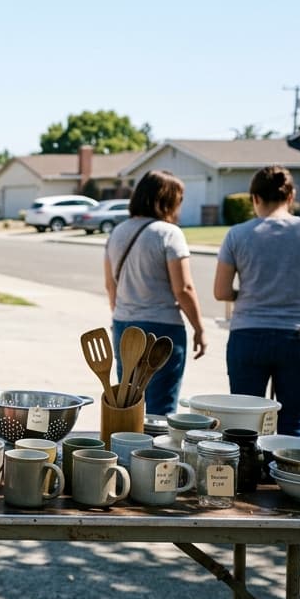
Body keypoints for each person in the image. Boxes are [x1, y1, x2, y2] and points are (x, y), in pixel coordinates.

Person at [213, 165, 300, 436]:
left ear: (254, 198)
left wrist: (250, 294)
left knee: (244, 425)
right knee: (293, 424)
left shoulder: (237, 234)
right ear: (291, 196)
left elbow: (221, 291)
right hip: (299, 337)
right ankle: (288, 477)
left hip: (248, 334)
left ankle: (246, 478)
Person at [103, 170, 207, 415]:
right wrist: (199, 329)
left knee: (128, 404)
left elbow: (110, 285)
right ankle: (155, 453)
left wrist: (122, 315)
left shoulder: (117, 232)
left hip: (124, 325)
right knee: (160, 409)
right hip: (162, 329)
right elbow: (183, 289)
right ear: (167, 200)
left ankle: (128, 451)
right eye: (179, 200)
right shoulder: (169, 233)